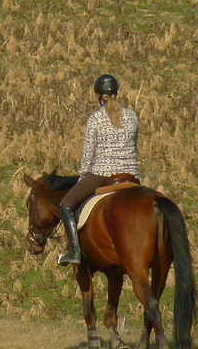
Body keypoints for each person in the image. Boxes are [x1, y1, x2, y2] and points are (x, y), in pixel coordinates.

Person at [58, 74, 140, 266]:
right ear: (117, 93)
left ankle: (75, 252)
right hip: (131, 175)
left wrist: (82, 176)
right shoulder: (132, 116)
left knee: (66, 204)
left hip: (102, 174)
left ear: (98, 96)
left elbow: (88, 155)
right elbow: (133, 146)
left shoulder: (95, 119)